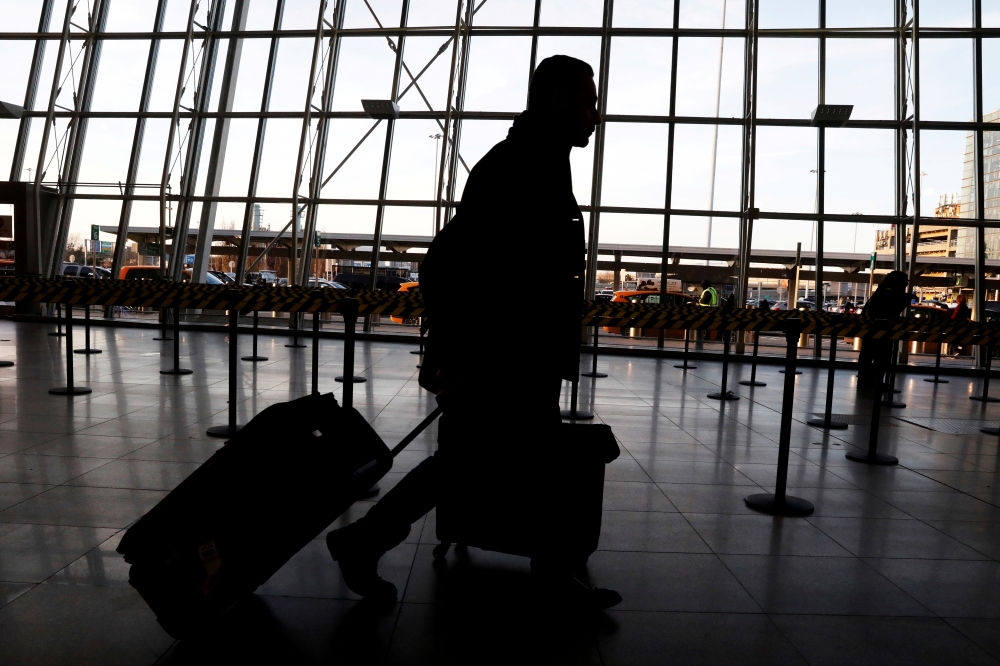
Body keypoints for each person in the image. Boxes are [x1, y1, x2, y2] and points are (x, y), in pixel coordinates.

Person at [325, 55, 620, 610]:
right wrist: (458, 362)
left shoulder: (537, 162)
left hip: (516, 356)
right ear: (558, 101)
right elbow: (449, 267)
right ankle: (550, 577)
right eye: (588, 102)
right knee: (502, 464)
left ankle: (363, 540)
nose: (594, 115)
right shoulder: (519, 167)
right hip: (501, 359)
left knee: (475, 466)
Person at [857, 270, 913, 389]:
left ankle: (865, 382)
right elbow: (891, 311)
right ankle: (876, 383)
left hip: (869, 331)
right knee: (881, 358)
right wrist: (905, 300)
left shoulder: (881, 292)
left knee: (867, 356)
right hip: (880, 332)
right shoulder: (888, 294)